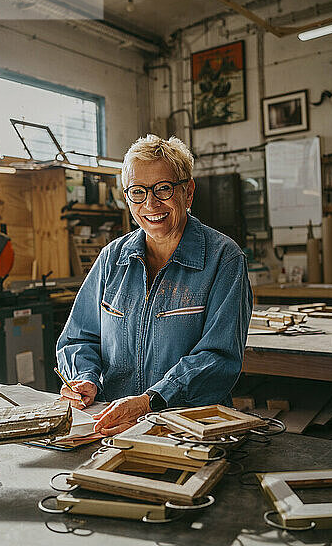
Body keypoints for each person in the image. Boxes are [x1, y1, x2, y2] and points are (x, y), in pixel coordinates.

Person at [57, 134, 252, 436]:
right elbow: (78, 338)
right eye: (138, 191)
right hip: (111, 426)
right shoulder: (113, 259)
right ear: (127, 197)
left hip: (190, 428)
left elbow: (218, 357)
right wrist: (84, 378)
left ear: (188, 192)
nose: (151, 204)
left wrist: (152, 401)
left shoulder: (224, 259)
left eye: (163, 189)